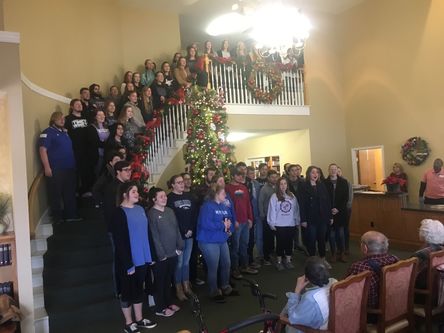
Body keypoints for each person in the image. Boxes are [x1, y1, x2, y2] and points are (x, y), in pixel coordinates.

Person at [110, 181, 157, 332]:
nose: (137, 194)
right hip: (128, 261)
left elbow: (147, 233)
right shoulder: (118, 212)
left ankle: (139, 319)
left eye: (137, 191)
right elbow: (120, 241)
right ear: (125, 194)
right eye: (134, 192)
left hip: (143, 258)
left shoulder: (140, 209)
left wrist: (151, 255)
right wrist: (127, 263)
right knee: (126, 292)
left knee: (138, 290)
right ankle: (129, 323)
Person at [197, 184, 237, 303]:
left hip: (221, 239)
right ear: (216, 194)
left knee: (226, 263)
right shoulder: (207, 206)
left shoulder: (224, 205)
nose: (226, 195)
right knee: (213, 267)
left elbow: (229, 220)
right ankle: (214, 291)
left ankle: (225, 287)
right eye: (223, 193)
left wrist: (230, 230)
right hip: (209, 241)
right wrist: (222, 225)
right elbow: (205, 224)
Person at [39, 111, 81, 223]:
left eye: (63, 118)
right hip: (56, 169)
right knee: (55, 194)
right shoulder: (47, 133)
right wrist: (47, 167)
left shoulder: (64, 132)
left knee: (70, 193)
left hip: (69, 168)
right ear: (53, 120)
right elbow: (43, 150)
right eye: (60, 118)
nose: (63, 120)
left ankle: (71, 215)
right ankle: (57, 218)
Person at [148, 187, 184, 317]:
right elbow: (154, 236)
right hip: (161, 256)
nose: (165, 198)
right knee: (160, 281)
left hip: (173, 253)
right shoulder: (151, 214)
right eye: (161, 196)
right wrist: (161, 254)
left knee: (168, 280)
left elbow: (176, 229)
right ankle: (160, 308)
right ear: (154, 199)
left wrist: (180, 245)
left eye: (165, 196)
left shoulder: (169, 211)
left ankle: (168, 303)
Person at [281, 257, 337, 332]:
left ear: (307, 278)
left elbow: (293, 319)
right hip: (329, 322)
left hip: (313, 329)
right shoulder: (334, 282)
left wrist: (297, 290)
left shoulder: (311, 299)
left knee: (285, 312)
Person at [346, 231, 398, 312]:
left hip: (372, 313)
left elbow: (345, 293)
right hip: (395, 306)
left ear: (365, 248)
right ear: (386, 246)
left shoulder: (359, 267)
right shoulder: (395, 259)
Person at [166, 175, 198, 301]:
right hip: (178, 236)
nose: (182, 184)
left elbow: (193, 214)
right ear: (173, 185)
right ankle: (178, 288)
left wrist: (190, 229)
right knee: (179, 263)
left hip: (189, 234)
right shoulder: (169, 199)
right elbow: (171, 219)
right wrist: (183, 231)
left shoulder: (189, 197)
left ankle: (186, 285)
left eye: (182, 182)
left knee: (186, 262)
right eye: (178, 182)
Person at [225, 168, 257, 278]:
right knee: (235, 247)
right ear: (233, 176)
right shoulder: (227, 188)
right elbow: (228, 207)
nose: (241, 177)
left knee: (245, 244)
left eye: (242, 175)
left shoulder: (243, 187)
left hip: (245, 222)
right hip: (236, 223)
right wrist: (234, 221)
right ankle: (235, 269)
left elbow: (248, 204)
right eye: (238, 175)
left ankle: (245, 266)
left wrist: (250, 218)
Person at [298, 166, 332, 268]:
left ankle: (323, 259)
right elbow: (301, 204)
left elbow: (327, 202)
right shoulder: (303, 186)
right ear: (309, 174)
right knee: (311, 240)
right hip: (310, 218)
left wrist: (330, 216)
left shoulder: (321, 185)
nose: (315, 174)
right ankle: (312, 261)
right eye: (313, 172)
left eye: (317, 172)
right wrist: (303, 219)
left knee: (322, 239)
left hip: (322, 217)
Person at [267, 177, 300, 271]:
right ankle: (279, 261)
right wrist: (271, 222)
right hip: (280, 224)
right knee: (280, 243)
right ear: (278, 185)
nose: (283, 186)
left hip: (290, 224)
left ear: (287, 185)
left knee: (289, 243)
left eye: (285, 184)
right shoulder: (274, 196)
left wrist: (297, 220)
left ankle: (288, 260)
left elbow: (296, 209)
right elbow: (272, 210)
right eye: (281, 184)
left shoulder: (292, 196)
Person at [64, 98, 92, 197]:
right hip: (74, 150)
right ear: (72, 106)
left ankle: (85, 190)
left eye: (80, 104)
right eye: (77, 104)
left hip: (86, 150)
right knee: (75, 172)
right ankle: (75, 191)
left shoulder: (86, 118)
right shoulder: (67, 119)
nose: (79, 105)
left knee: (86, 170)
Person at [323, 163, 349, 263]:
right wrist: (330, 209)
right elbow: (324, 198)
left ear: (337, 170)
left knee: (341, 234)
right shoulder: (324, 182)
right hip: (329, 212)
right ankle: (333, 253)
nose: (333, 171)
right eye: (331, 169)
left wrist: (337, 208)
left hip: (341, 212)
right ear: (328, 170)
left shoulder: (343, 182)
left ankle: (341, 253)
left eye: (335, 169)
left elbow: (345, 198)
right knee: (331, 235)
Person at [412, 219, 444, 289]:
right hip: (437, 286)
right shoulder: (442, 250)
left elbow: (411, 277)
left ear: (423, 233)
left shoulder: (420, 254)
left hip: (422, 287)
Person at [258, 169, 279, 265]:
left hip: (278, 217)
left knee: (277, 236)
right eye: (272, 177)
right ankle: (266, 257)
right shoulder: (264, 189)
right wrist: (262, 215)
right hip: (267, 217)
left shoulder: (278, 187)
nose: (275, 179)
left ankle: (274, 254)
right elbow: (260, 202)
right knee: (268, 238)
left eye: (276, 177)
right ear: (268, 178)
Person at [86, 110, 110, 179]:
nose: (102, 116)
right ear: (95, 117)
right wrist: (107, 144)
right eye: (99, 115)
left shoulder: (107, 126)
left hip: (106, 154)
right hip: (97, 155)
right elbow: (95, 142)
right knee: (97, 174)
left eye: (103, 115)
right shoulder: (91, 127)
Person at [337, 166, 353, 255]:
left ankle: (346, 247)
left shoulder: (346, 182)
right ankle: (339, 248)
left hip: (346, 208)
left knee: (345, 229)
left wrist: (347, 206)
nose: (337, 173)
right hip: (336, 210)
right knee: (338, 230)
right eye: (336, 171)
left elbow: (350, 196)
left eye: (339, 171)